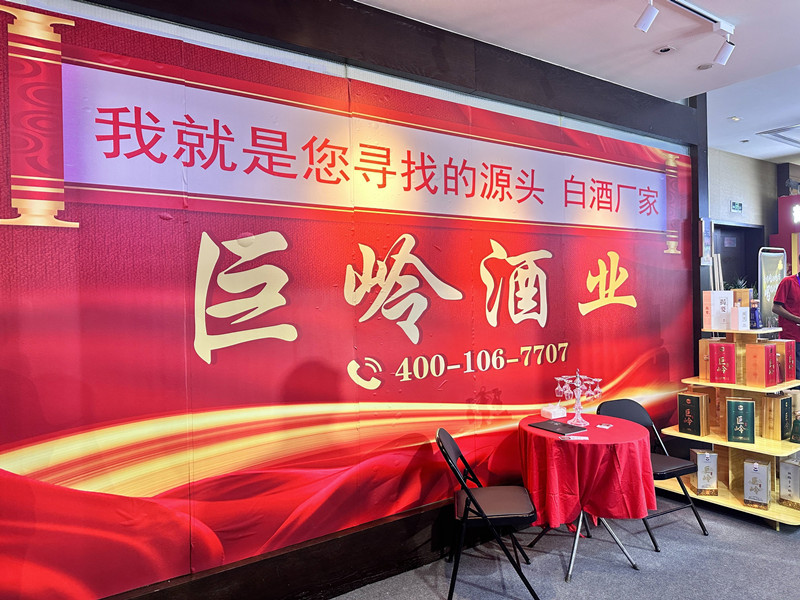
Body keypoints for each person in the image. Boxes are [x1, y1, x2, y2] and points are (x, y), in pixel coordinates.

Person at [771, 272, 800, 380]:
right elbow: (776, 307)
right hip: (791, 336)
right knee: (795, 376)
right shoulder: (788, 282)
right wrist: (797, 319)